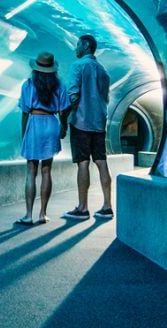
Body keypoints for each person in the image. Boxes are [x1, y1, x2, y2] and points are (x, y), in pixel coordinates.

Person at [15, 51, 70, 226]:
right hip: (51, 123)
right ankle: (43, 214)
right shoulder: (60, 85)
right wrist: (63, 127)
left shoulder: (28, 85)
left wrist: (24, 134)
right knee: (47, 171)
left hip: (35, 122)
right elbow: (63, 111)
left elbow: (25, 111)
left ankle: (28, 215)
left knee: (31, 171)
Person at [63, 33, 113, 221]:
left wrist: (64, 118)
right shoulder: (103, 71)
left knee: (83, 163)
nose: (75, 48)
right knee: (101, 162)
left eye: (77, 44)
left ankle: (83, 208)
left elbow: (73, 95)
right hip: (99, 123)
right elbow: (105, 98)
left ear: (85, 45)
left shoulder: (78, 66)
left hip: (81, 122)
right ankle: (107, 206)